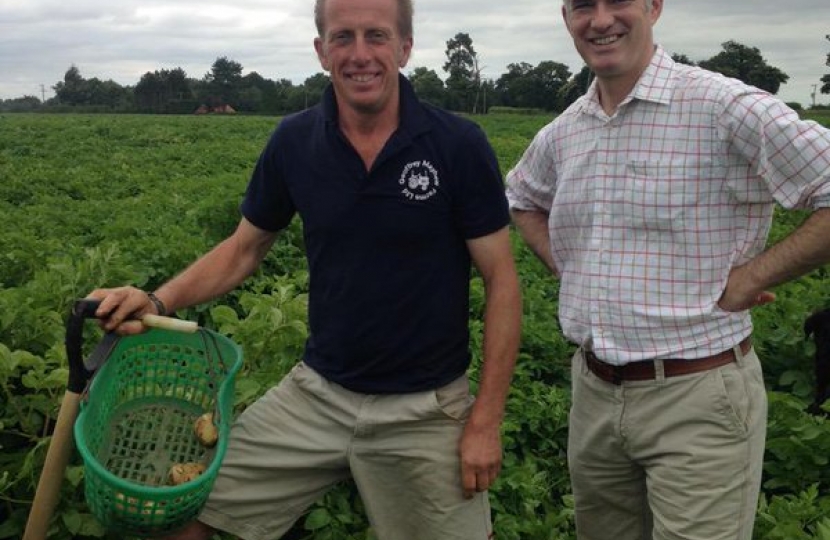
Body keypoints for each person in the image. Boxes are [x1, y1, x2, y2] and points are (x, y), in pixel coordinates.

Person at [88, 0, 521, 538]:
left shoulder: (457, 144)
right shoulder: (295, 141)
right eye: (342, 38)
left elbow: (502, 282)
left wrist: (484, 420)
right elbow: (244, 249)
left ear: (404, 47)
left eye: (376, 36)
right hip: (317, 393)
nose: (359, 54)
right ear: (321, 51)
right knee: (185, 513)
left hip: (425, 408)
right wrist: (156, 301)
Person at [505, 0, 830, 539]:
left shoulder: (723, 106)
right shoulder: (567, 130)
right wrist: (573, 269)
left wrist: (753, 277)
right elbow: (521, 196)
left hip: (697, 393)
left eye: (619, 2)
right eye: (584, 5)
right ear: (566, 17)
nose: (601, 19)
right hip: (593, 391)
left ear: (654, 7)